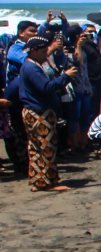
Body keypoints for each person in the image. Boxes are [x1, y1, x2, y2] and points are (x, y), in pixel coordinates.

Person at [19, 36, 79, 191]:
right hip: (38, 111)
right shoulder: (31, 68)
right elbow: (46, 88)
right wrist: (65, 77)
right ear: (34, 51)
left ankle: (38, 181)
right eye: (44, 50)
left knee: (36, 148)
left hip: (34, 110)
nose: (46, 53)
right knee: (46, 147)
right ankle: (48, 182)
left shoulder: (31, 66)